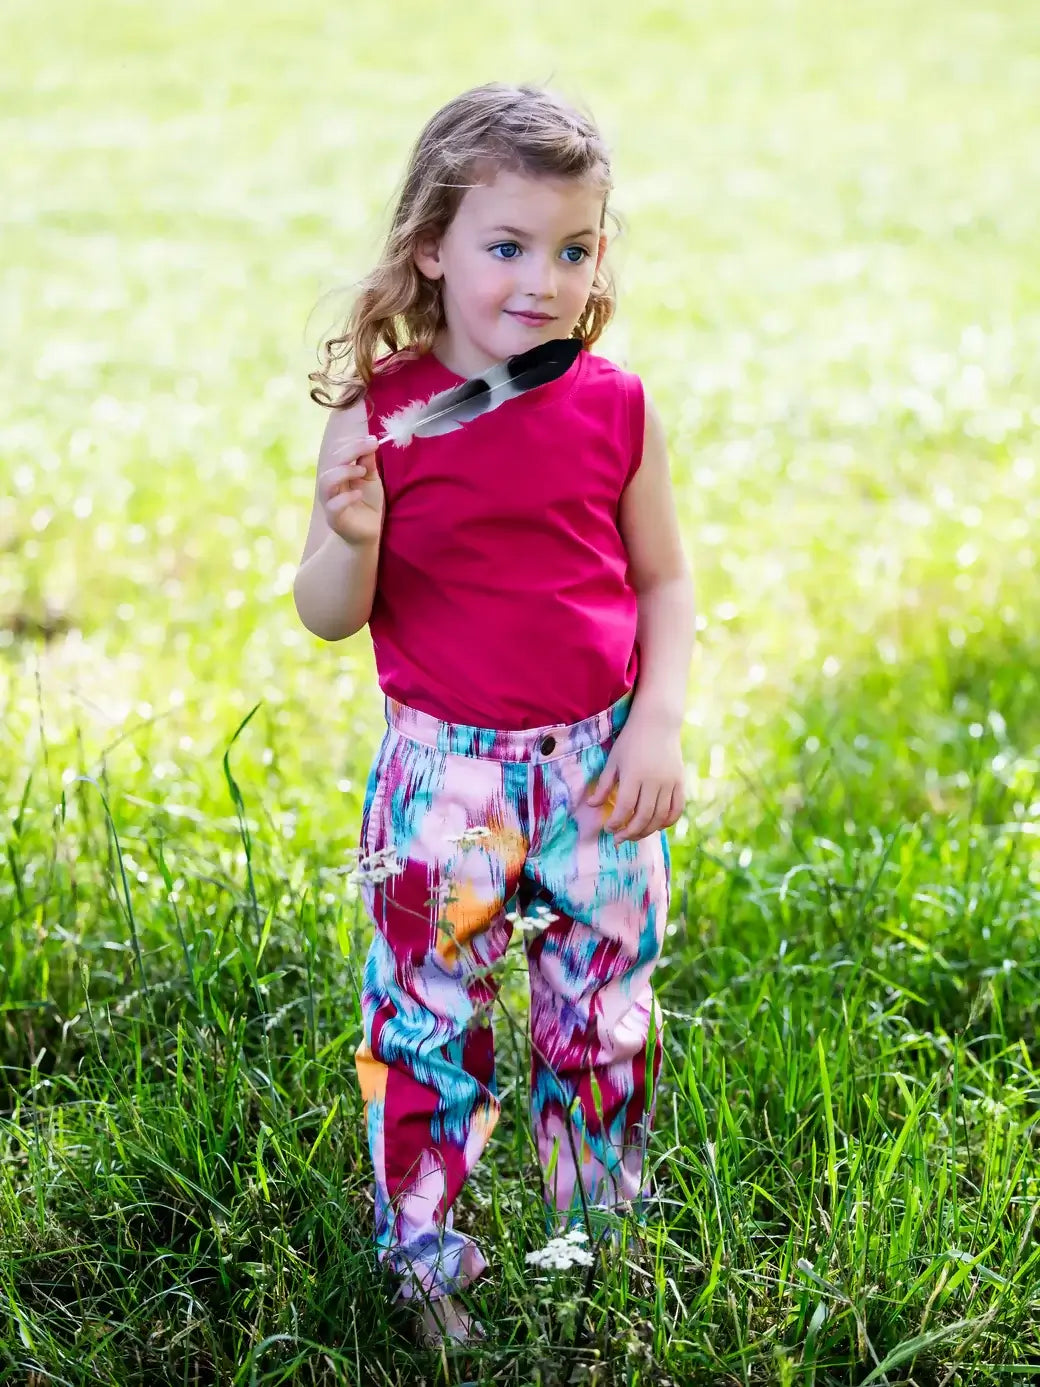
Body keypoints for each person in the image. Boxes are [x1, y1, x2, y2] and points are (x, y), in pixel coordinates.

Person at [293, 81, 697, 1346]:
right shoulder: (386, 416)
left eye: (572, 249)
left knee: (602, 1023)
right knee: (425, 1030)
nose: (543, 278)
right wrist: (353, 536)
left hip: (596, 774)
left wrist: (657, 722)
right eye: (506, 245)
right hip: (443, 788)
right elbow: (323, 612)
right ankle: (423, 1265)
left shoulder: (612, 404)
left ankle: (594, 1241)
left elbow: (662, 579)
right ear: (431, 246)